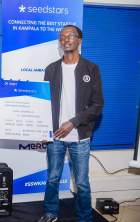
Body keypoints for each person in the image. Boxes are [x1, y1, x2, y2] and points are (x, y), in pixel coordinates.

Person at [38, 25, 104, 222]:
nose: (66, 39)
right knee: (52, 178)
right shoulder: (51, 69)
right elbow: (44, 105)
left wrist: (73, 122)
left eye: (70, 36)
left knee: (82, 183)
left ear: (79, 40)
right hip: (55, 137)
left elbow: (98, 105)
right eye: (62, 37)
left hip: (80, 136)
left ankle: (84, 217)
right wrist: (42, 129)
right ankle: (50, 213)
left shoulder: (91, 69)